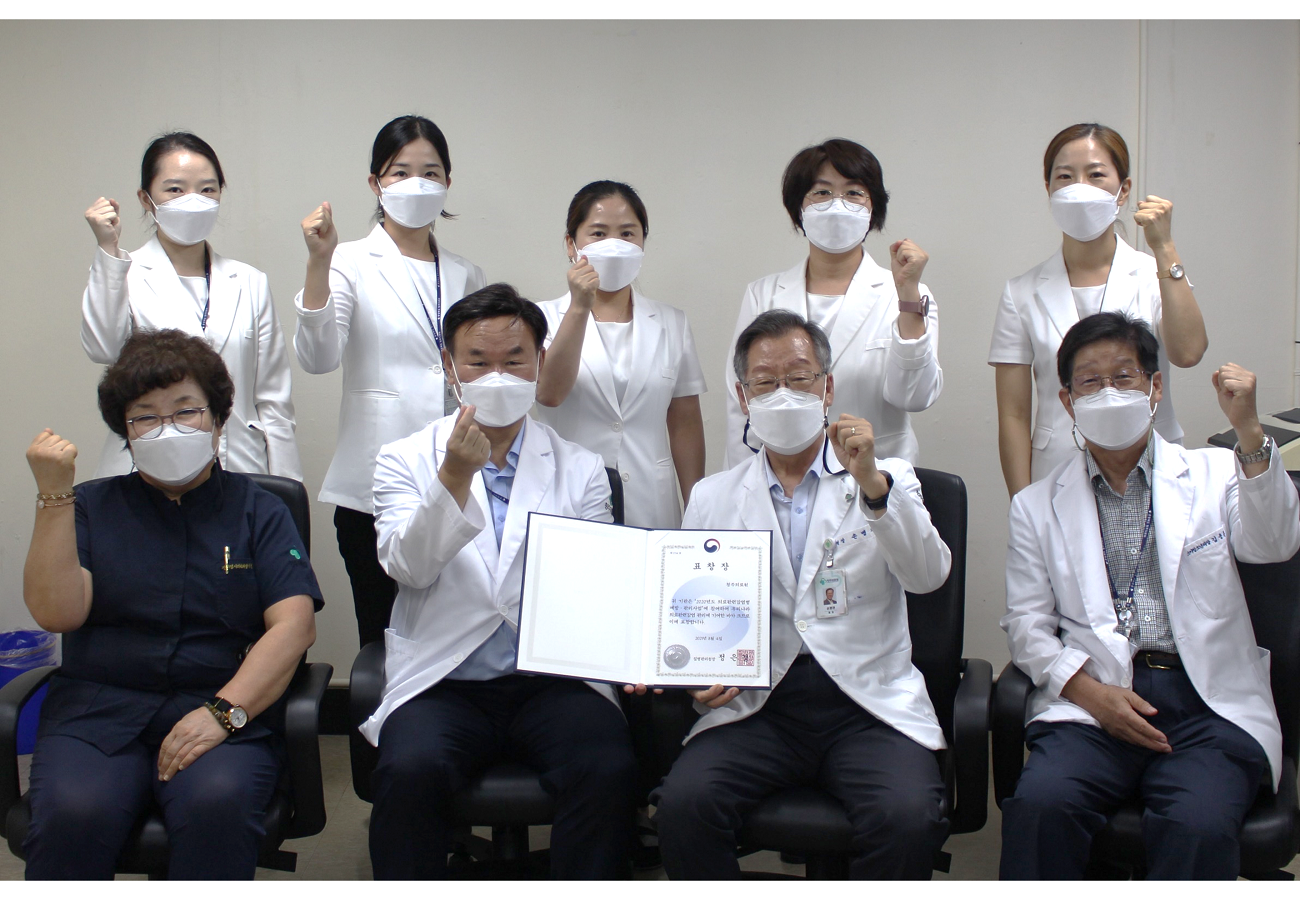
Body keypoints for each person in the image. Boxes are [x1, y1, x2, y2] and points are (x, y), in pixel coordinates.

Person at [653, 309, 952, 879]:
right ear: (743, 397)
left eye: (799, 378)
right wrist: (691, 670)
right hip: (760, 703)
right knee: (685, 806)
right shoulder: (713, 496)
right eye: (765, 383)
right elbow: (694, 614)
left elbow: (928, 576)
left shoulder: (889, 476)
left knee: (907, 818)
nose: (783, 394)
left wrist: (873, 487)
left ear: (828, 388)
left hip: (865, 703)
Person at [999, 312, 1297, 880]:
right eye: (1090, 382)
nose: (1108, 392)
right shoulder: (1036, 505)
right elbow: (1026, 626)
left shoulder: (1215, 472)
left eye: (1124, 377)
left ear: (1155, 387)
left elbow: (1275, 543)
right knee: (1041, 808)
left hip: (1206, 700)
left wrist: (1250, 434)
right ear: (1067, 402)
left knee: (1196, 825)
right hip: (1097, 697)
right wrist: (1089, 695)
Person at [21, 329, 322, 880]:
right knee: (73, 815)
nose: (168, 428)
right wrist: (53, 495)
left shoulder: (260, 509)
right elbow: (57, 614)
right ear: (126, 432)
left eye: (186, 411)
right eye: (146, 417)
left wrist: (223, 713)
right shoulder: (87, 506)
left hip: (220, 706)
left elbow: (293, 626)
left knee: (218, 807)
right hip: (98, 714)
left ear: (218, 420)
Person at [359, 284, 638, 879]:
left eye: (514, 361)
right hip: (444, 680)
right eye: (478, 362)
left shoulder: (582, 468)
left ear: (540, 362)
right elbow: (408, 567)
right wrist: (453, 478)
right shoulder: (402, 459)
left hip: (553, 681)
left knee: (607, 767)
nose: (497, 377)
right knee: (410, 771)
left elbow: (598, 584)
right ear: (449, 366)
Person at [293, 114, 486, 649]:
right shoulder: (349, 260)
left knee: (451, 637)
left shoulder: (466, 273)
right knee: (382, 639)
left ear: (448, 182)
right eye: (400, 172)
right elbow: (318, 357)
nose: (416, 184)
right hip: (373, 485)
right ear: (375, 183)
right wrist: (318, 264)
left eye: (430, 172)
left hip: (453, 473)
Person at [989, 123, 1208, 497]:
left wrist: (1165, 248)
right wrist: (1022, 503)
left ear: (1123, 189)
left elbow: (1188, 353)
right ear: (1048, 188)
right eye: (1065, 176)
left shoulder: (1155, 274)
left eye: (1095, 175)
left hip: (1153, 463)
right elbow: (1013, 415)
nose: (1079, 188)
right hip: (1057, 469)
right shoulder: (1020, 292)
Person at [80, 132, 301, 480]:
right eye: (175, 189)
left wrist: (286, 488)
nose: (193, 201)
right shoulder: (122, 272)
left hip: (237, 464)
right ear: (145, 198)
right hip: (146, 469)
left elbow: (274, 398)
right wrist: (108, 249)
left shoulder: (249, 281)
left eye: (207, 189)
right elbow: (103, 348)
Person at [723, 139, 941, 469]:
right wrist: (742, 484)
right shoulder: (763, 295)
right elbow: (740, 403)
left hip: (876, 474)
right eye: (822, 192)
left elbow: (915, 397)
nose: (837, 205)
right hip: (782, 477)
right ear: (799, 207)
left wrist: (908, 295)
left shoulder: (908, 294)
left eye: (854, 192)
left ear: (873, 207)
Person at [535, 180, 706, 528]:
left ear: (643, 243)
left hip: (651, 499)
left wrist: (697, 508)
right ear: (571, 244)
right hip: (571, 496)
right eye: (598, 233)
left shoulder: (671, 322)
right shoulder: (542, 319)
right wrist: (579, 306)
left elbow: (685, 422)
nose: (614, 246)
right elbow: (549, 395)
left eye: (627, 234)